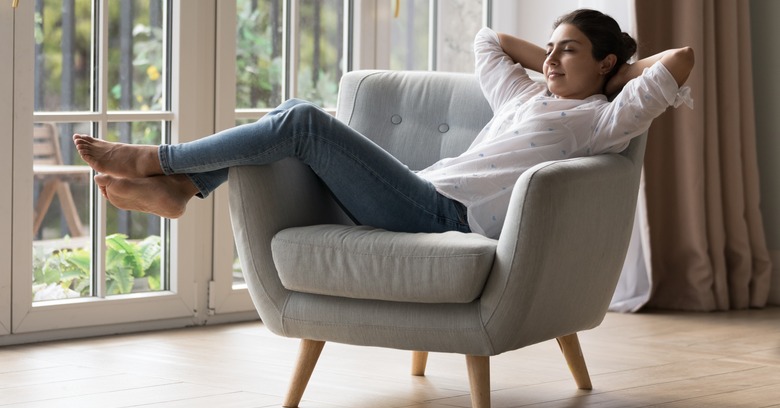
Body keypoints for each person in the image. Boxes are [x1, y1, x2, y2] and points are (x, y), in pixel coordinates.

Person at [74, 9, 694, 239]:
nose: (552, 59)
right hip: (418, 189)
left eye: (569, 51)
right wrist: (559, 58)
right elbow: (489, 39)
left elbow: (681, 60)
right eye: (551, 48)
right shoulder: (523, 98)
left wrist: (617, 76)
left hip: (446, 215)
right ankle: (182, 187)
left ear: (608, 65)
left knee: (306, 122)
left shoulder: (603, 120)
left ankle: (162, 164)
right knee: (293, 113)